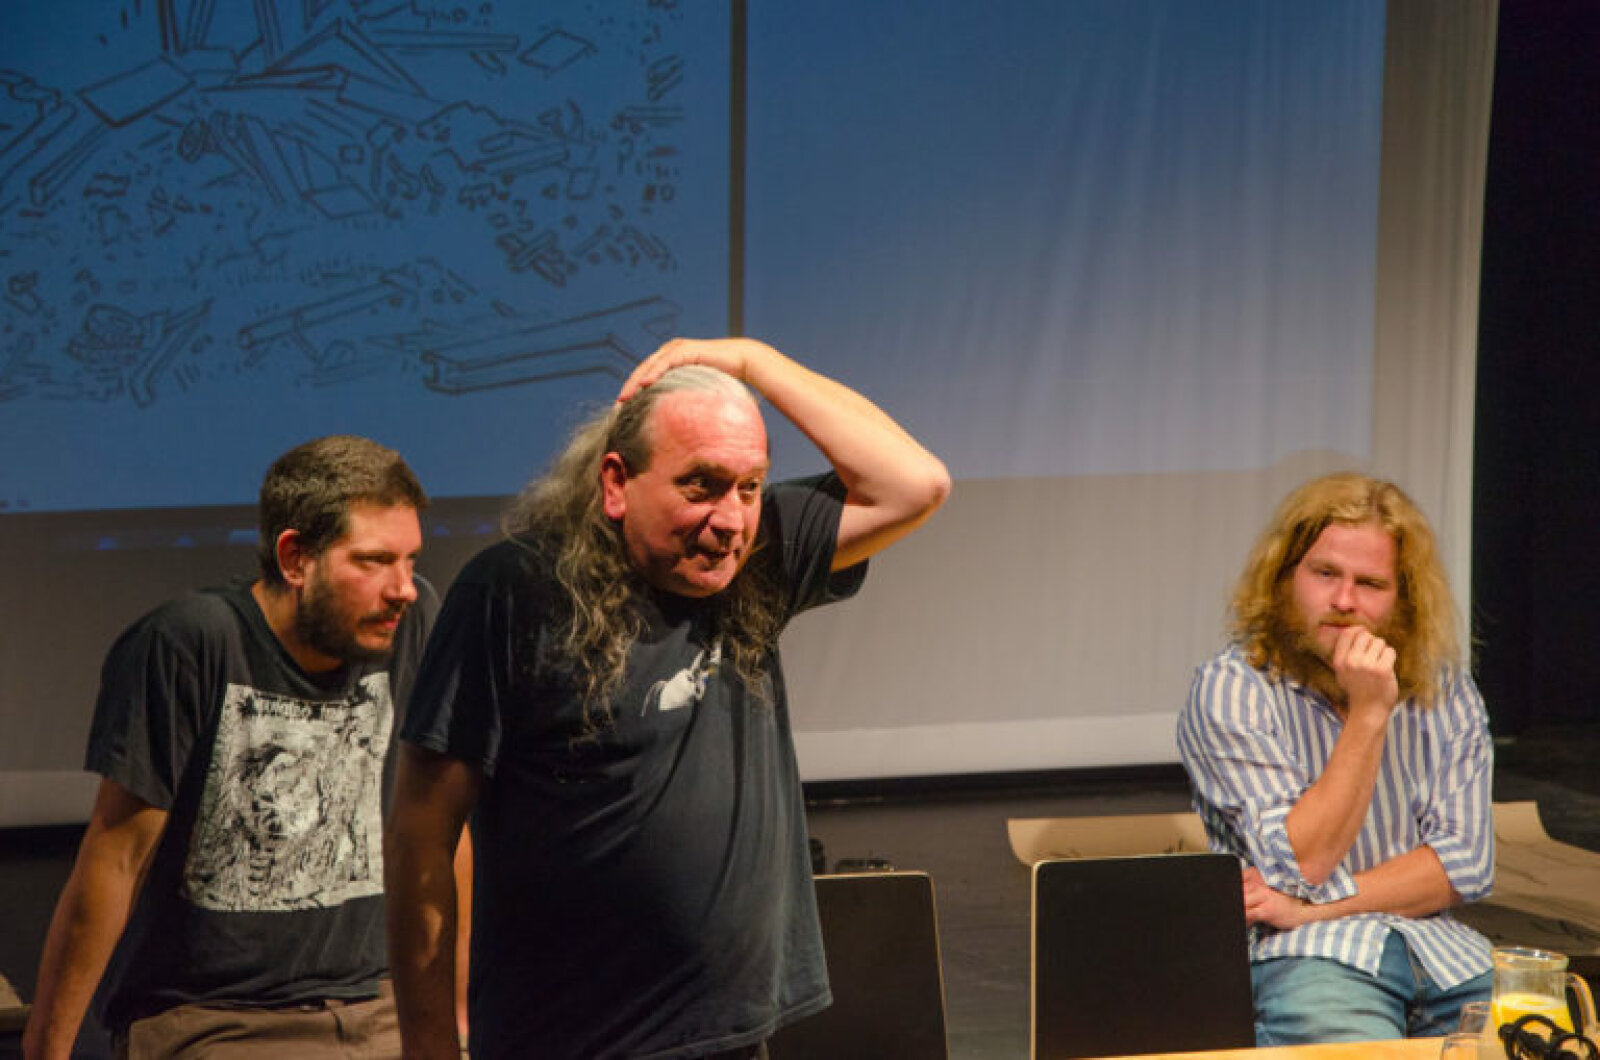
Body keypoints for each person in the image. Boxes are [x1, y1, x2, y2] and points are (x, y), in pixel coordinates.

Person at [385, 337, 951, 1060]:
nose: (731, 518)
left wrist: (753, 362)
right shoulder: (512, 592)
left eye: (750, 486)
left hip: (731, 1035)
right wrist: (430, 1044)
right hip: (568, 1040)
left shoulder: (754, 561)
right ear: (616, 482)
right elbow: (422, 830)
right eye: (701, 485)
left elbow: (916, 484)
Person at [23, 435, 439, 1060]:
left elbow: (440, 829)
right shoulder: (190, 643)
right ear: (295, 558)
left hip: (376, 1006)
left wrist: (453, 1015)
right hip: (214, 1019)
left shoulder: (413, 622)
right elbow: (115, 860)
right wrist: (46, 1050)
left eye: (410, 560)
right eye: (374, 561)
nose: (402, 587)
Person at [1176, 472, 1495, 1046]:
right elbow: (1300, 866)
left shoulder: (1446, 691)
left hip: (1446, 956)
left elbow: (1465, 864)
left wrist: (1313, 908)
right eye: (1325, 574)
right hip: (1309, 959)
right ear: (1284, 578)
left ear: (1404, 600)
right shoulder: (1233, 689)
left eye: (1370, 583)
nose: (1344, 602)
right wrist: (1369, 712)